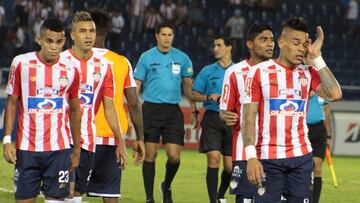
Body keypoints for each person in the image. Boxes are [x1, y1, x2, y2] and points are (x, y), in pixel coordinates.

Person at [242, 17, 342, 203]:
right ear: (281, 42)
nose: (301, 48)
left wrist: (317, 58)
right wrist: (250, 157)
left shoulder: (308, 73)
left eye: (305, 44)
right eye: (296, 43)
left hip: (301, 158)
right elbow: (248, 116)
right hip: (268, 158)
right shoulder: (259, 72)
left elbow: (335, 94)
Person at [3, 18, 81, 203]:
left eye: (59, 42)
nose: (54, 47)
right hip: (27, 150)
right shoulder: (21, 63)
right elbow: (12, 103)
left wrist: (76, 148)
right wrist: (7, 140)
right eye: (49, 41)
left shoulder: (71, 69)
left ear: (64, 41)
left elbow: (75, 109)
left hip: (59, 151)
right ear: (39, 39)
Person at [60, 11, 128, 203]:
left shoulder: (104, 66)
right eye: (82, 31)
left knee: (75, 195)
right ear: (73, 35)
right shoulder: (61, 61)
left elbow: (110, 108)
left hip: (88, 141)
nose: (88, 35)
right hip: (61, 139)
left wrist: (120, 141)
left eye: (92, 31)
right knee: (62, 194)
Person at [134, 22, 197, 203]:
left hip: (172, 111)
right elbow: (136, 87)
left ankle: (166, 185)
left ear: (173, 36)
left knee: (174, 156)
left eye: (170, 34)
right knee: (150, 154)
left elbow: (188, 86)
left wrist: (193, 109)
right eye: (164, 34)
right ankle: (149, 198)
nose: (167, 38)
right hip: (150, 109)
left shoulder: (182, 58)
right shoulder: (146, 57)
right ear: (157, 36)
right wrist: (134, 113)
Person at [86, 10, 145, 203]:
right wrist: (140, 138)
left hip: (81, 137)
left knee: (70, 193)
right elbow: (134, 103)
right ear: (108, 30)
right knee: (110, 196)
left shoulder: (72, 59)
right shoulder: (121, 62)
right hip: (112, 140)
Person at [219, 23, 274, 203]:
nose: (270, 44)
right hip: (244, 151)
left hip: (277, 152)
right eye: (263, 40)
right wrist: (225, 116)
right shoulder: (234, 72)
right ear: (250, 44)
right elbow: (224, 110)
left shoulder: (280, 71)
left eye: (272, 40)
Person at [191, 34, 234, 203]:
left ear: (229, 47)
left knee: (230, 167)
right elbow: (193, 94)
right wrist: (209, 97)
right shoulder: (207, 71)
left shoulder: (238, 70)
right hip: (212, 118)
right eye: (214, 45)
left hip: (232, 119)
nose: (215, 48)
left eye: (219, 45)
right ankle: (212, 201)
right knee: (214, 159)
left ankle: (220, 194)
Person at [306, 91, 333, 203]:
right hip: (301, 129)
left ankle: (314, 200)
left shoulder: (321, 92)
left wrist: (329, 134)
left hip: (318, 130)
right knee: (304, 168)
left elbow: (326, 112)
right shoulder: (298, 88)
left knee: (317, 166)